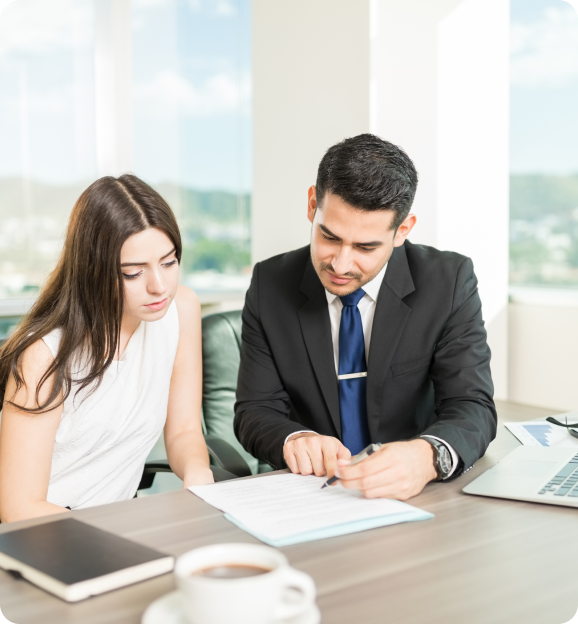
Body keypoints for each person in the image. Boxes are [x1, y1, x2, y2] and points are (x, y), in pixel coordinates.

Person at [234, 134, 497, 500]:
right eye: (329, 237)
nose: (340, 264)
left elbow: (472, 405)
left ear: (402, 230)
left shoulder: (447, 282)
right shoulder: (269, 283)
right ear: (313, 204)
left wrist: (426, 456)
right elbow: (255, 410)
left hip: (418, 495)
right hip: (314, 495)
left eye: (365, 247)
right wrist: (295, 439)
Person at [0, 175, 214, 523]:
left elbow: (184, 430)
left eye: (169, 261)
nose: (159, 286)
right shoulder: (44, 357)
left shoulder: (181, 311)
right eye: (132, 273)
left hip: (116, 527)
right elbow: (18, 507)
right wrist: (118, 539)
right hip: (49, 535)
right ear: (93, 271)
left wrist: (197, 475)